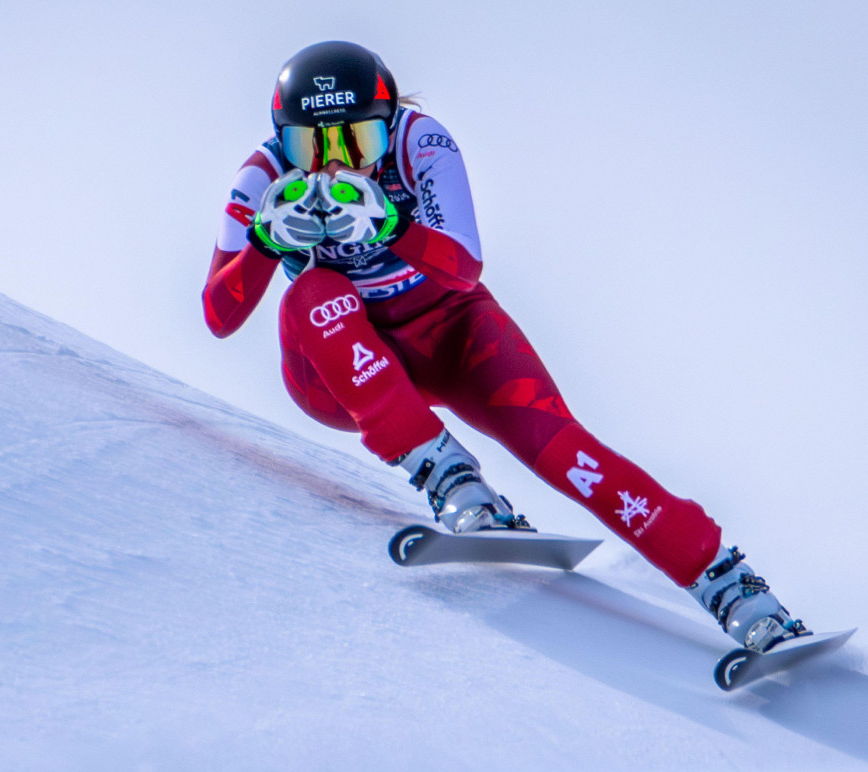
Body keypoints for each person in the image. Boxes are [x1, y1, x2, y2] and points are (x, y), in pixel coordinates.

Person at [201, 40, 806, 653]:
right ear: (284, 141)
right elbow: (219, 317)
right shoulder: (263, 174)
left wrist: (392, 225)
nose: (336, 165)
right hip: (340, 373)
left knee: (566, 451)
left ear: (388, 124)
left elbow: (464, 267)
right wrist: (263, 242)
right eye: (313, 146)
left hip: (450, 331)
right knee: (314, 289)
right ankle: (450, 480)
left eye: (357, 141)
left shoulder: (421, 142)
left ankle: (737, 593)